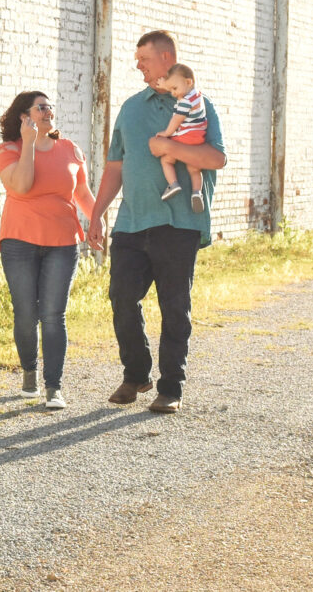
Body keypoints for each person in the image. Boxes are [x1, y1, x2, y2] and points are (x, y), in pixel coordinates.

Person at [87, 31, 226, 413]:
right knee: (121, 298)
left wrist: (170, 148)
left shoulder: (198, 104)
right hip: (132, 222)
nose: (138, 66)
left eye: (144, 59)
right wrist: (97, 213)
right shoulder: (130, 108)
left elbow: (216, 158)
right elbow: (115, 166)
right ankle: (136, 374)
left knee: (174, 306)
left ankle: (171, 388)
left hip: (179, 222)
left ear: (167, 58)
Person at [0, 91, 96, 409]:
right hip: (19, 242)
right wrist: (28, 144)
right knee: (26, 314)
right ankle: (29, 375)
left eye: (50, 106)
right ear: (24, 116)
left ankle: (54, 387)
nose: (48, 111)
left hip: (63, 243)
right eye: (40, 107)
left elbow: (81, 192)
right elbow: (22, 185)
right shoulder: (8, 151)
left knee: (53, 315)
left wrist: (98, 220)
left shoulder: (70, 150)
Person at [155, 63, 207, 214]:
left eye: (174, 89)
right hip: (198, 139)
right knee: (194, 169)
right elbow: (177, 84)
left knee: (166, 160)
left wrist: (166, 133)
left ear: (188, 82)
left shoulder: (185, 101)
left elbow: (177, 120)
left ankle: (173, 184)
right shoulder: (197, 96)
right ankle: (197, 193)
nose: (173, 93)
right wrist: (168, 85)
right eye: (170, 90)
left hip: (185, 138)